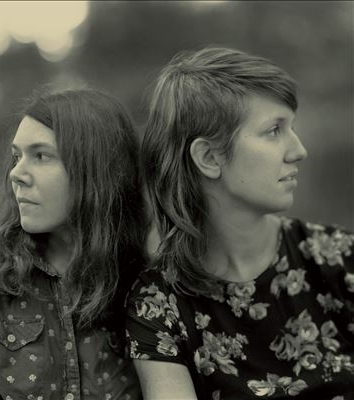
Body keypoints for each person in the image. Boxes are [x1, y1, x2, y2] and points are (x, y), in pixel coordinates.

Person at [125, 47, 354, 400]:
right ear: (209, 157)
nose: (298, 150)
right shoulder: (159, 306)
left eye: (291, 127)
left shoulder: (339, 259)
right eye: (274, 130)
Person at [0, 88, 146, 399]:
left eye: (41, 156)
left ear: (97, 168)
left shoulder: (145, 274)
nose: (16, 174)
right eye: (16, 157)